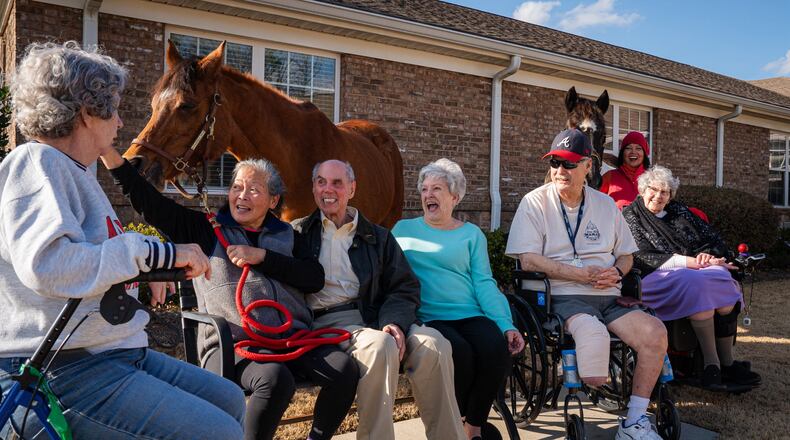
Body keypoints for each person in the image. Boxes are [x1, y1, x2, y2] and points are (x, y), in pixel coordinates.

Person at [0, 41, 245, 439]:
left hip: (110, 351)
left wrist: (145, 270)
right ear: (86, 113)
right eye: (112, 109)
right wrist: (152, 254)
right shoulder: (37, 163)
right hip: (62, 369)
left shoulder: (76, 172)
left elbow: (93, 258)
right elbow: (48, 266)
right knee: (220, 433)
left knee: (229, 399)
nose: (119, 122)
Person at [104, 148, 359, 440]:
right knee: (275, 379)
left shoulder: (288, 235)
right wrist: (111, 158)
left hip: (291, 340)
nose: (242, 196)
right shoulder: (205, 230)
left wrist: (261, 257)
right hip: (234, 346)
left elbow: (314, 278)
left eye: (254, 190)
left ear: (273, 200)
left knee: (344, 369)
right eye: (237, 187)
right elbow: (149, 203)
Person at [506, 128, 668, 440]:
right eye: (555, 163)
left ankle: (634, 420)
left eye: (569, 164)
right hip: (561, 297)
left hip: (609, 295)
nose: (560, 171)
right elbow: (528, 260)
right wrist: (578, 275)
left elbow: (626, 254)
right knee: (592, 336)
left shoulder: (605, 204)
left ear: (588, 166)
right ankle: (591, 372)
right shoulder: (535, 202)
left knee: (655, 333)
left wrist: (617, 272)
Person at [292, 160, 466, 440]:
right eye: (321, 182)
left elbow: (404, 286)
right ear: (313, 188)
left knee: (434, 345)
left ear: (352, 188)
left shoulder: (377, 236)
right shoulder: (298, 233)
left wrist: (394, 321)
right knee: (380, 345)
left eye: (337, 183)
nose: (328, 189)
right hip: (330, 323)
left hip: (377, 314)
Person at [392, 158, 525, 440]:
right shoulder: (402, 230)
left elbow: (484, 283)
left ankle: (472, 428)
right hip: (430, 316)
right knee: (460, 353)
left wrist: (505, 324)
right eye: (424, 189)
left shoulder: (471, 234)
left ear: (454, 197)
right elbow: (388, 277)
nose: (428, 194)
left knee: (496, 349)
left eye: (436, 189)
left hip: (470, 313)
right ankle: (461, 420)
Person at [622, 165, 761, 390]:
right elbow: (640, 256)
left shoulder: (679, 211)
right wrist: (689, 262)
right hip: (652, 275)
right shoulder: (630, 215)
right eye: (653, 190)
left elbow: (711, 239)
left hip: (694, 269)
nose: (658, 196)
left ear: (671, 195)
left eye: (664, 192)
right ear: (642, 190)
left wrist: (708, 255)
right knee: (696, 283)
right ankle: (711, 364)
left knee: (722, 276)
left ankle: (726, 363)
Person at [599, 131, 650, 210]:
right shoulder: (609, 177)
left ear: (644, 154)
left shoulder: (652, 179)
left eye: (638, 148)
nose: (633, 152)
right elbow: (597, 205)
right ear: (622, 153)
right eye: (628, 148)